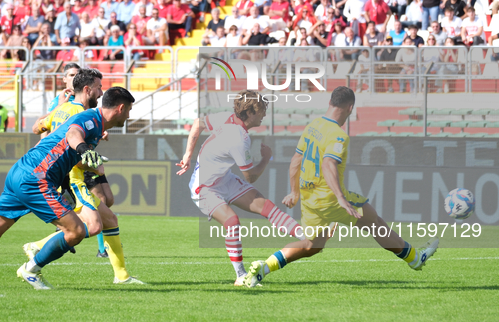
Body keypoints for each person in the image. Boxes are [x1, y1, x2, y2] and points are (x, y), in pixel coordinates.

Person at [0, 81, 135, 290]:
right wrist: (83, 148)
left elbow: (67, 155)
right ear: (120, 108)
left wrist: (85, 163)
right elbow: (72, 134)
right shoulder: (91, 119)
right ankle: (31, 269)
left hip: (21, 172)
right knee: (76, 231)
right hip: (36, 178)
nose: (128, 116)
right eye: (129, 111)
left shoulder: (96, 129)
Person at [242, 87, 439, 288]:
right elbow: (328, 164)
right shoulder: (338, 135)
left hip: (310, 199)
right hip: (329, 197)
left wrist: (294, 192)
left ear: (330, 102)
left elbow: (295, 161)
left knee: (312, 245)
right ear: (350, 108)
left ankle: (263, 269)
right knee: (375, 223)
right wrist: (340, 198)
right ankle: (415, 258)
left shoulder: (313, 126)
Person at [176, 90, 306, 285]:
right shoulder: (239, 138)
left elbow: (198, 123)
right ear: (251, 112)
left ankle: (306, 237)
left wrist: (187, 154)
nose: (263, 114)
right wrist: (266, 158)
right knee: (232, 221)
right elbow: (251, 176)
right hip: (204, 187)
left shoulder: (226, 118)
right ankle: (240, 276)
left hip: (224, 179)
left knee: (267, 207)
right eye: (261, 110)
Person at [27, 72, 142, 284]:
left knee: (109, 218)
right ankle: (38, 248)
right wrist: (89, 155)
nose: (100, 92)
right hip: (72, 176)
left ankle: (122, 276)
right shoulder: (83, 113)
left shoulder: (61, 109)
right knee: (91, 225)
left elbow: (37, 128)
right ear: (87, 89)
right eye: (98, 87)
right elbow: (72, 138)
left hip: (59, 171)